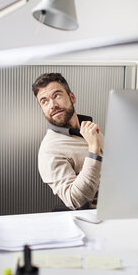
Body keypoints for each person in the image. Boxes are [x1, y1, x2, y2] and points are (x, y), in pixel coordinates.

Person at [32, 73, 103, 210]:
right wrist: (94, 149)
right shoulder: (49, 150)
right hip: (96, 217)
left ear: (72, 97)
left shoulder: (89, 129)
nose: (52, 105)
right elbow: (75, 200)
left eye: (57, 95)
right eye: (44, 101)